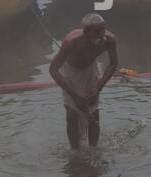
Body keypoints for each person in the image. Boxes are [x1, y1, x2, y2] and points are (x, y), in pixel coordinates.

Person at [50, 13, 118, 149]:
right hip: (70, 72)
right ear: (86, 32)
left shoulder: (109, 40)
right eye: (97, 32)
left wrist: (98, 88)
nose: (101, 35)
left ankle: (93, 150)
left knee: (94, 113)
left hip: (90, 70)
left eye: (103, 30)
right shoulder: (71, 42)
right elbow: (53, 69)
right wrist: (74, 96)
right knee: (71, 115)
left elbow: (113, 64)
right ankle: (75, 152)